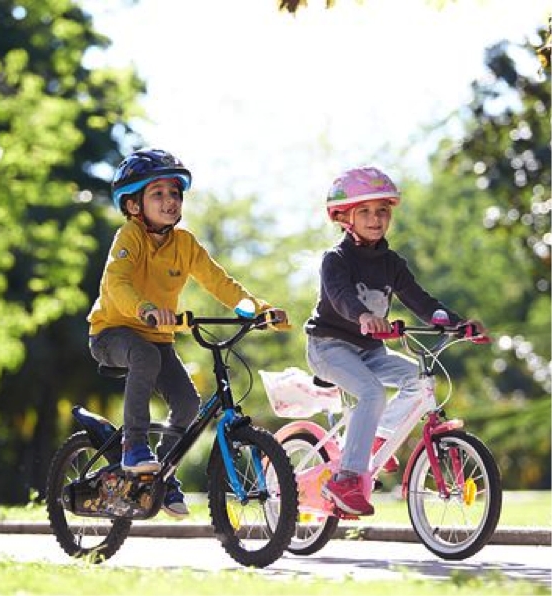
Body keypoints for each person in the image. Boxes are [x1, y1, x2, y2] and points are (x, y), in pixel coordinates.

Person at [88, 148, 287, 518]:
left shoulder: (186, 244)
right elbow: (117, 284)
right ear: (133, 206)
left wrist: (257, 309)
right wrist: (145, 309)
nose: (170, 201)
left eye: (175, 194)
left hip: (157, 337)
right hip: (112, 332)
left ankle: (162, 475)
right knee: (144, 356)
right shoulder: (128, 238)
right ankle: (134, 446)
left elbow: (220, 283)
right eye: (158, 194)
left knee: (189, 404)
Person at [304, 166, 485, 517]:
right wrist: (363, 316)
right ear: (345, 217)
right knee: (372, 391)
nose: (376, 219)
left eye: (382, 211)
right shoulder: (336, 260)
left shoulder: (391, 263)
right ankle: (347, 478)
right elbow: (341, 296)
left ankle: (377, 437)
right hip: (329, 346)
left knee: (419, 380)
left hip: (371, 350)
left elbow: (422, 302)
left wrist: (459, 325)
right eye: (366, 212)